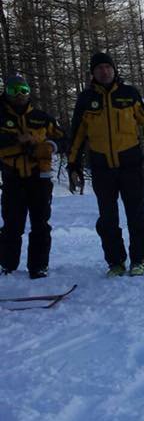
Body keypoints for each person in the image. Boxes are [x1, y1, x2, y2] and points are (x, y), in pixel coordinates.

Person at [67, 53, 144, 277]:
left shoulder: (129, 94)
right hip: (102, 169)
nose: (104, 71)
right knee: (108, 220)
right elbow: (77, 136)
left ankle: (138, 259)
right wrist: (73, 166)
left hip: (130, 165)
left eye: (107, 67)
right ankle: (116, 262)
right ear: (93, 73)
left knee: (136, 216)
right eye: (99, 68)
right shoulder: (86, 99)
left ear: (114, 70)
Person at [0, 75, 65, 279]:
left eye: (23, 90)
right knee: (12, 224)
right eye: (14, 91)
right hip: (13, 178)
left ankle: (38, 266)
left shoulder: (41, 117)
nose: (19, 95)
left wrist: (48, 146)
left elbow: (64, 138)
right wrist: (16, 140)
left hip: (40, 178)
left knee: (40, 224)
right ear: (6, 93)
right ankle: (7, 266)